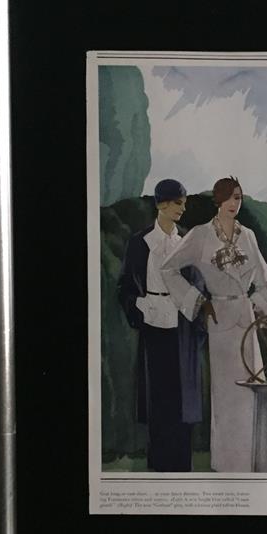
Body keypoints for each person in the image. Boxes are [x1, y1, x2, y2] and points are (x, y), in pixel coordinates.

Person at [161, 177, 267, 472]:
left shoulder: (248, 235)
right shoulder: (200, 235)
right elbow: (168, 268)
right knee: (225, 395)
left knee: (253, 388)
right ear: (218, 200)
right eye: (228, 197)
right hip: (220, 321)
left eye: (238, 197)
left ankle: (255, 460)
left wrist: (259, 306)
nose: (234, 203)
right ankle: (226, 463)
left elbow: (265, 280)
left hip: (247, 322)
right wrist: (198, 301)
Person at [117, 179, 205, 472]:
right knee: (158, 400)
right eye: (178, 203)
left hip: (183, 327)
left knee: (183, 402)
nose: (182, 209)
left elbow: (199, 283)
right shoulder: (140, 242)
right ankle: (158, 469)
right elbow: (126, 287)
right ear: (161, 204)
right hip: (153, 324)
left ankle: (183, 468)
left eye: (184, 203)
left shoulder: (187, 242)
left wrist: (196, 314)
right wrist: (141, 308)